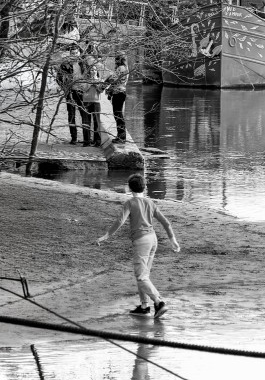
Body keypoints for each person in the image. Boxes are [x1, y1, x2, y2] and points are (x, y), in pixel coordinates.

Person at [96, 172, 181, 317]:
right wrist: (173, 240)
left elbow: (120, 221)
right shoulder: (150, 202)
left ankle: (159, 302)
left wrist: (106, 235)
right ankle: (144, 306)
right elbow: (166, 222)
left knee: (141, 277)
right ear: (145, 187)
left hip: (141, 241)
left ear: (130, 188)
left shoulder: (130, 203)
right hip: (153, 240)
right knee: (144, 275)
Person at [55, 60, 82, 145]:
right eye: (72, 52)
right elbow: (58, 78)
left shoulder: (83, 64)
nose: (74, 54)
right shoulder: (65, 65)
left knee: (85, 114)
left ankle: (87, 139)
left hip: (82, 92)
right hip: (70, 92)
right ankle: (74, 137)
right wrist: (65, 88)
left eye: (76, 52)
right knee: (71, 114)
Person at [105, 52, 130, 143]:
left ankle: (121, 137)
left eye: (116, 59)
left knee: (118, 115)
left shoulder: (121, 68)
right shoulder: (124, 68)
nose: (115, 61)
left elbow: (113, 80)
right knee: (118, 114)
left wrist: (106, 86)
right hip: (120, 92)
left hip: (118, 93)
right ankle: (120, 135)